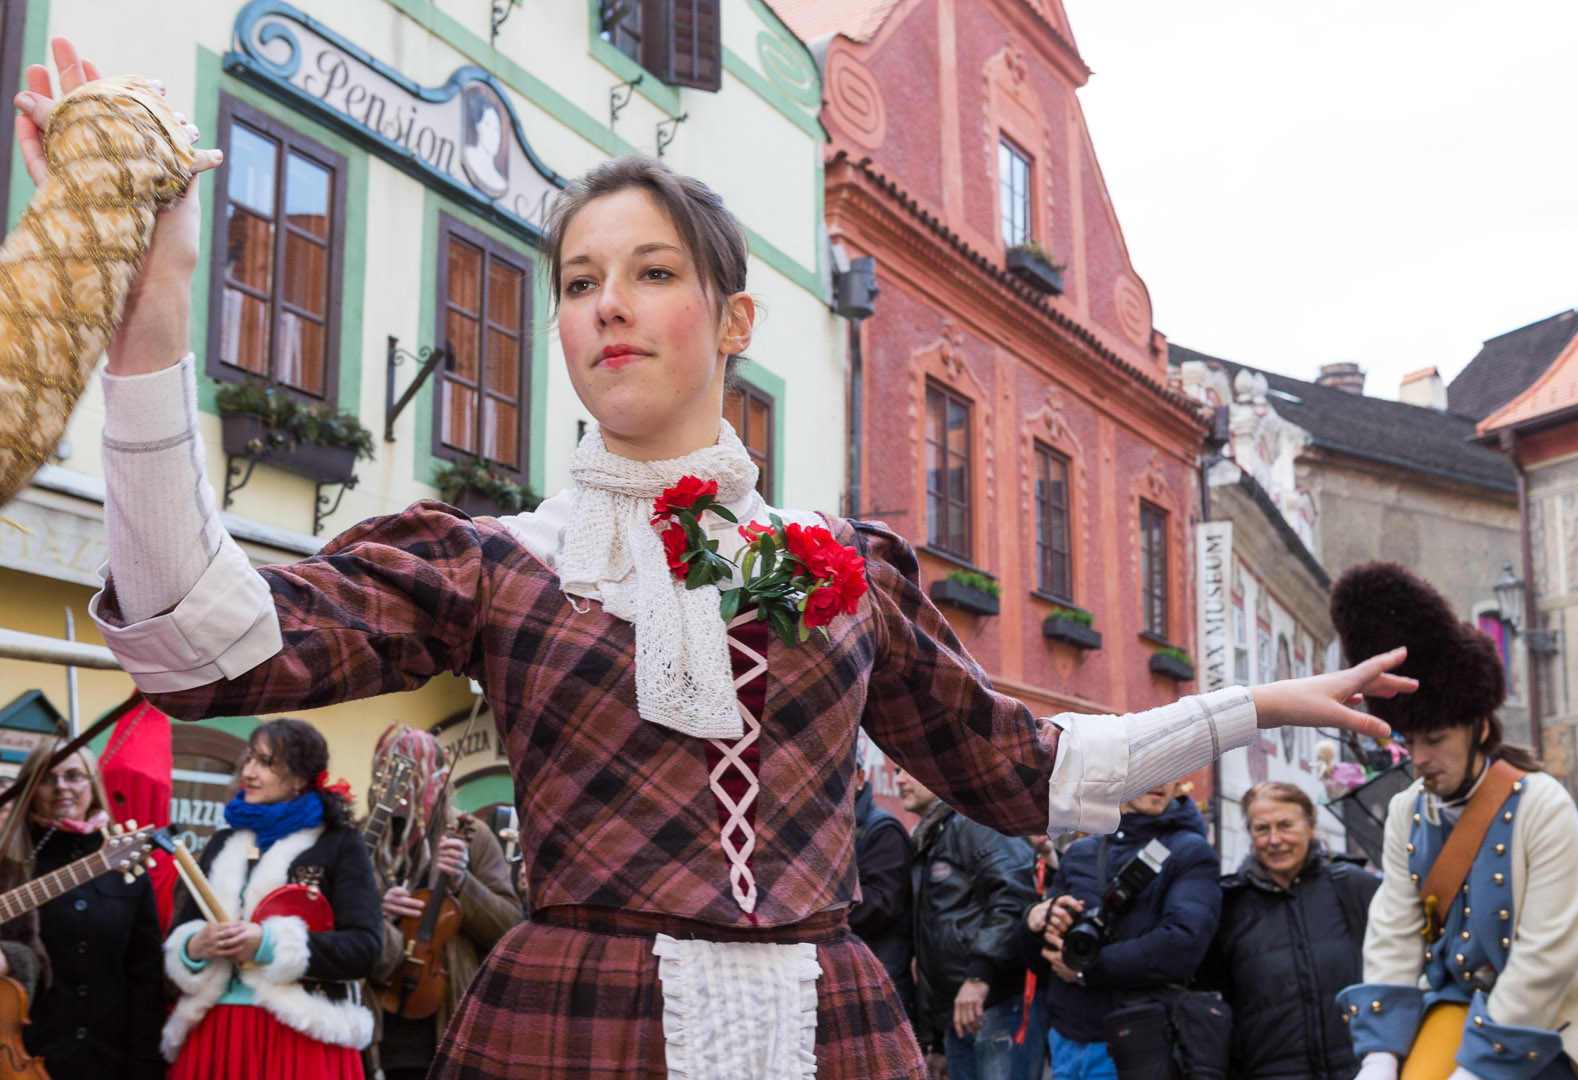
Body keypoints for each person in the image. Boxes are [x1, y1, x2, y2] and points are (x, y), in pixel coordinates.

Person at [18, 37, 1414, 1078]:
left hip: (830, 1029)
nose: (606, 305)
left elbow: (1023, 769)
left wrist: (1259, 707)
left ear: (735, 321)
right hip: (576, 1023)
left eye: (651, 272)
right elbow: (206, 644)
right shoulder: (499, 558)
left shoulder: (839, 571)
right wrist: (146, 346)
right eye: (576, 281)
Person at [1331, 562, 1578, 1080]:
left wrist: (1477, 1069)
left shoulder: (1543, 804)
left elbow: (1546, 957)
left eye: (1435, 739)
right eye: (1409, 741)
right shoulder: (1406, 811)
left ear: (1479, 727)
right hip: (1462, 1006)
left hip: (1561, 1023)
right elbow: (1394, 931)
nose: (1418, 758)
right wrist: (1379, 1056)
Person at [162, 718, 383, 1079]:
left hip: (302, 1035)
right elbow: (182, 933)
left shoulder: (340, 843)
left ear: (299, 777)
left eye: (265, 763)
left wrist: (267, 945)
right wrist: (193, 948)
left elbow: (364, 948)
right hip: (216, 1032)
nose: (247, 771)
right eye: (248, 759)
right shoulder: (223, 841)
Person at [1023, 782, 1220, 1080]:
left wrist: (1086, 970)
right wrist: (1033, 923)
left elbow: (1182, 944)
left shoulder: (1190, 852)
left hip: (1137, 1043)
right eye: (1152, 771)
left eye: (1171, 774)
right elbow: (1040, 959)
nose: (1161, 783)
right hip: (1066, 1040)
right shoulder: (1079, 853)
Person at [0, 740, 165, 1079]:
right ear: (30, 787)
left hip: (110, 1056)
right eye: (48, 778)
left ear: (93, 784)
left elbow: (146, 976)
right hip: (22, 1053)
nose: (62, 787)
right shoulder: (8, 866)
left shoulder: (126, 864)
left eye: (74, 775)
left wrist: (145, 1064)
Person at [367, 725, 524, 1080]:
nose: (403, 789)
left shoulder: (471, 834)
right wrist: (377, 911)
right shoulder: (366, 835)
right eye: (391, 773)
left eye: (415, 776)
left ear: (438, 780)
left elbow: (509, 928)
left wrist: (462, 882)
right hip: (372, 1022)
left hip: (444, 1022)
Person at [1199, 781, 1379, 1080]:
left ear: (1310, 826)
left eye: (1285, 825)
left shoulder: (1353, 887)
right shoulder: (1228, 908)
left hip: (1360, 1070)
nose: (1274, 839)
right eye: (1261, 829)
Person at [899, 768, 1042, 1080]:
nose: (899, 780)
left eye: (908, 770)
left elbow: (1013, 897)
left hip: (994, 1003)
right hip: (958, 1014)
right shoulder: (934, 833)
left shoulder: (977, 822)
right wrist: (935, 1038)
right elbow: (929, 942)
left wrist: (979, 975)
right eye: (897, 771)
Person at [850, 734, 913, 1009]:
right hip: (851, 974)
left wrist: (821, 896)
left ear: (860, 777)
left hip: (878, 979)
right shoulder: (832, 830)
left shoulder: (883, 830)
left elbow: (882, 906)